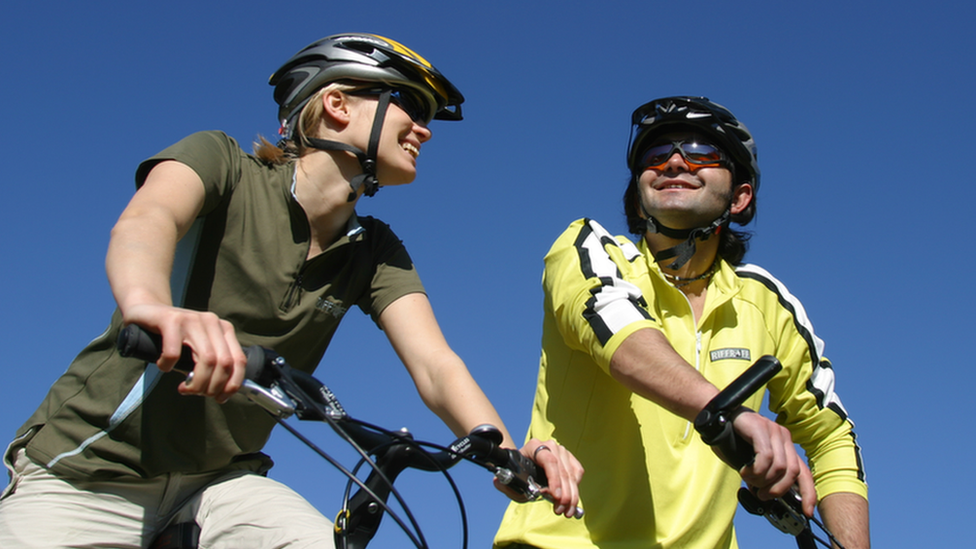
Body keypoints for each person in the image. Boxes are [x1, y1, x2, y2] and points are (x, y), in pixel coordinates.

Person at [0, 33, 582, 549]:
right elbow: (145, 221)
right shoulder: (223, 164)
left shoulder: (374, 248)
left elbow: (435, 364)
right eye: (410, 105)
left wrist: (509, 452)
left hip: (220, 481)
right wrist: (153, 309)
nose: (425, 128)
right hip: (90, 469)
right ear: (336, 104)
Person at [493, 96, 869, 549]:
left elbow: (831, 437)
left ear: (740, 196)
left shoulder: (766, 301)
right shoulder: (591, 247)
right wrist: (726, 411)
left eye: (700, 151)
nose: (673, 161)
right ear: (637, 192)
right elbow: (618, 331)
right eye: (655, 156)